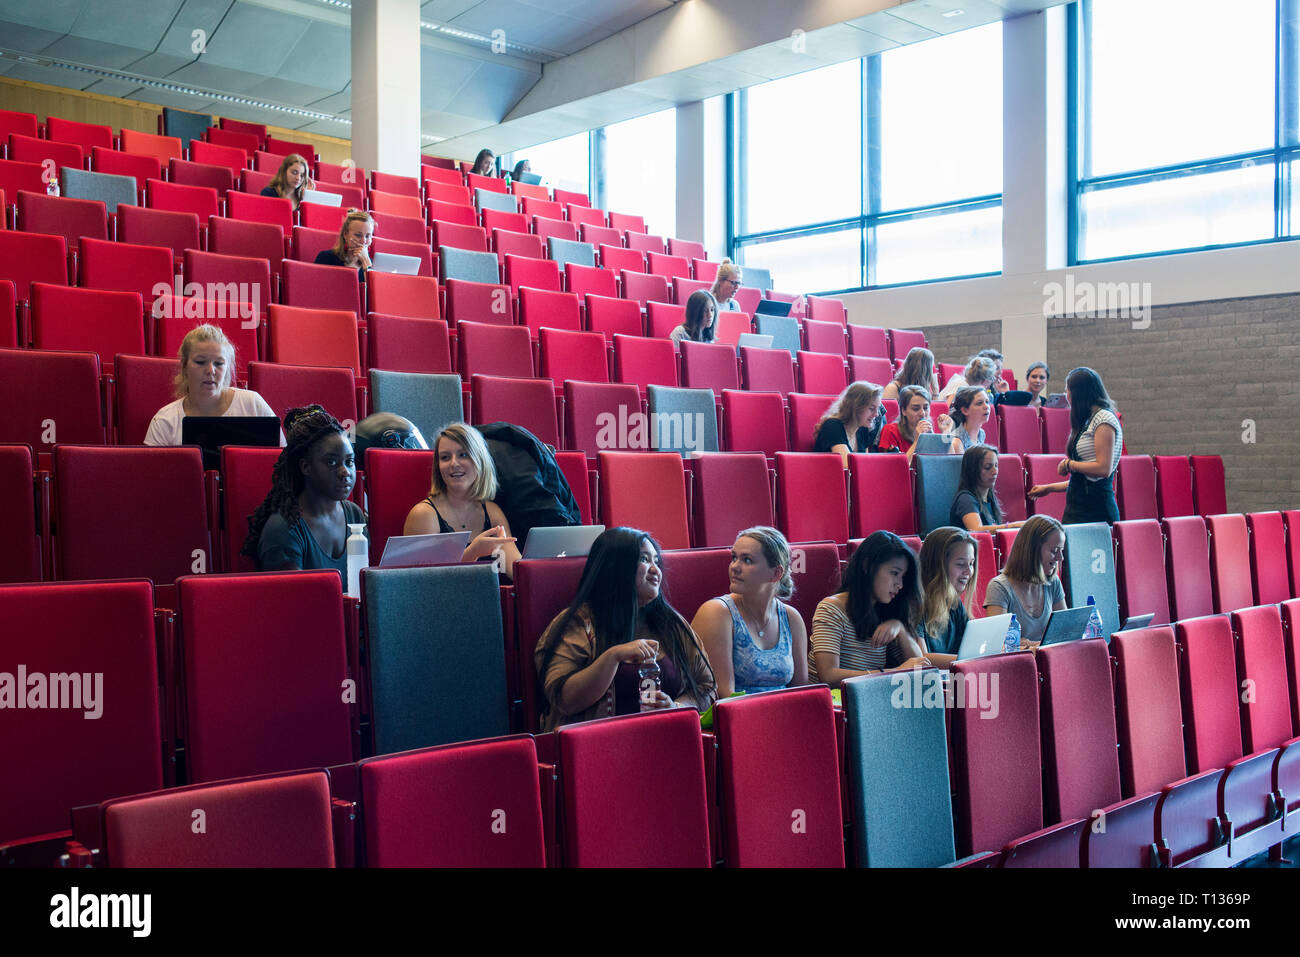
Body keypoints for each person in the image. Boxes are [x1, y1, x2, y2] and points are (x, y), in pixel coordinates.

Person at [534, 527, 716, 732]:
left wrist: (677, 707)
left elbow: (706, 686)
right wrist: (612, 657)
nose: (656, 570)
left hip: (663, 739)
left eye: (657, 561)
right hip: (596, 746)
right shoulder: (578, 623)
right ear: (617, 568)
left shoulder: (671, 622)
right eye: (645, 559)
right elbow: (563, 700)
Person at [243, 405, 367, 584]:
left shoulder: (355, 515)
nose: (345, 472)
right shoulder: (283, 529)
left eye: (349, 462)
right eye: (332, 462)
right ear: (305, 467)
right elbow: (296, 604)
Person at [690, 527, 809, 698]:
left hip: (785, 716)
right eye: (734, 558)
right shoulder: (717, 613)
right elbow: (723, 696)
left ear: (776, 573)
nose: (735, 567)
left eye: (747, 560)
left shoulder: (791, 618)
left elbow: (802, 692)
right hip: (736, 718)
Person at [807, 531, 933, 686]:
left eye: (903, 577)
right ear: (867, 566)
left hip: (868, 699)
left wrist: (900, 629)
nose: (900, 584)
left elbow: (919, 665)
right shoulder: (831, 609)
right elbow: (828, 675)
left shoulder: (886, 610)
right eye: (894, 573)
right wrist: (893, 673)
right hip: (835, 703)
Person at [402, 422, 521, 578]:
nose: (454, 463)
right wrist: (473, 552)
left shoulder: (492, 511)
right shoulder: (423, 515)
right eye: (445, 457)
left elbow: (516, 569)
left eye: (463, 454)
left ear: (479, 460)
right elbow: (426, 584)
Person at [143, 324, 281, 447]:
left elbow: (284, 461)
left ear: (227, 367)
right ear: (184, 366)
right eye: (200, 362)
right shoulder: (165, 421)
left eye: (219, 363)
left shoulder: (252, 404)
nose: (210, 371)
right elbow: (153, 474)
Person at [1027, 367, 1123, 524]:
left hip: (1095, 509)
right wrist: (1049, 488)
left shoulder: (1104, 419)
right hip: (1077, 506)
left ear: (1079, 393)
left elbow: (1103, 469)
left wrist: (1069, 464)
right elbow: (1083, 479)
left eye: (1068, 391)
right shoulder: (1089, 419)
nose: (1067, 395)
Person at [983, 515, 1067, 647]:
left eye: (1061, 551)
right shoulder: (999, 587)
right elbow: (997, 645)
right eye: (1054, 550)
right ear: (1033, 550)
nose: (1060, 558)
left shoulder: (1053, 582)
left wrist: (1029, 644)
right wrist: (1037, 646)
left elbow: (1064, 632)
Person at [916, 527, 980, 665]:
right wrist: (971, 661)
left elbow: (972, 647)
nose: (969, 572)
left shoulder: (954, 603)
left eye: (971, 563)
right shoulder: (914, 604)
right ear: (937, 566)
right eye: (960, 564)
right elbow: (922, 659)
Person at [950, 444, 1023, 533]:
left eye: (996, 465)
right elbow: (976, 530)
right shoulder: (965, 499)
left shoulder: (990, 498)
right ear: (972, 470)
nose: (995, 471)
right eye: (988, 467)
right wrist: (1012, 526)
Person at [813, 381, 886, 466]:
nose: (876, 414)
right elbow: (848, 466)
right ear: (856, 408)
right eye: (871, 409)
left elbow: (864, 466)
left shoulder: (863, 428)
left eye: (877, 409)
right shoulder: (832, 426)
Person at [877, 385, 951, 463]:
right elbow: (898, 469)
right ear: (903, 411)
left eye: (925, 408)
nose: (922, 413)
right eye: (916, 409)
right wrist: (917, 442)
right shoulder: (890, 431)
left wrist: (946, 433)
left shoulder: (929, 430)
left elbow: (951, 464)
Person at [313, 208, 374, 278]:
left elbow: (373, 288)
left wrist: (365, 262)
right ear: (345, 234)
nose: (363, 241)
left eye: (368, 236)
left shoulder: (372, 266)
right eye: (358, 235)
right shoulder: (326, 257)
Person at [946, 386, 991, 454]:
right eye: (979, 403)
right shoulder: (957, 442)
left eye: (987, 402)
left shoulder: (981, 434)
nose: (986, 406)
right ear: (965, 410)